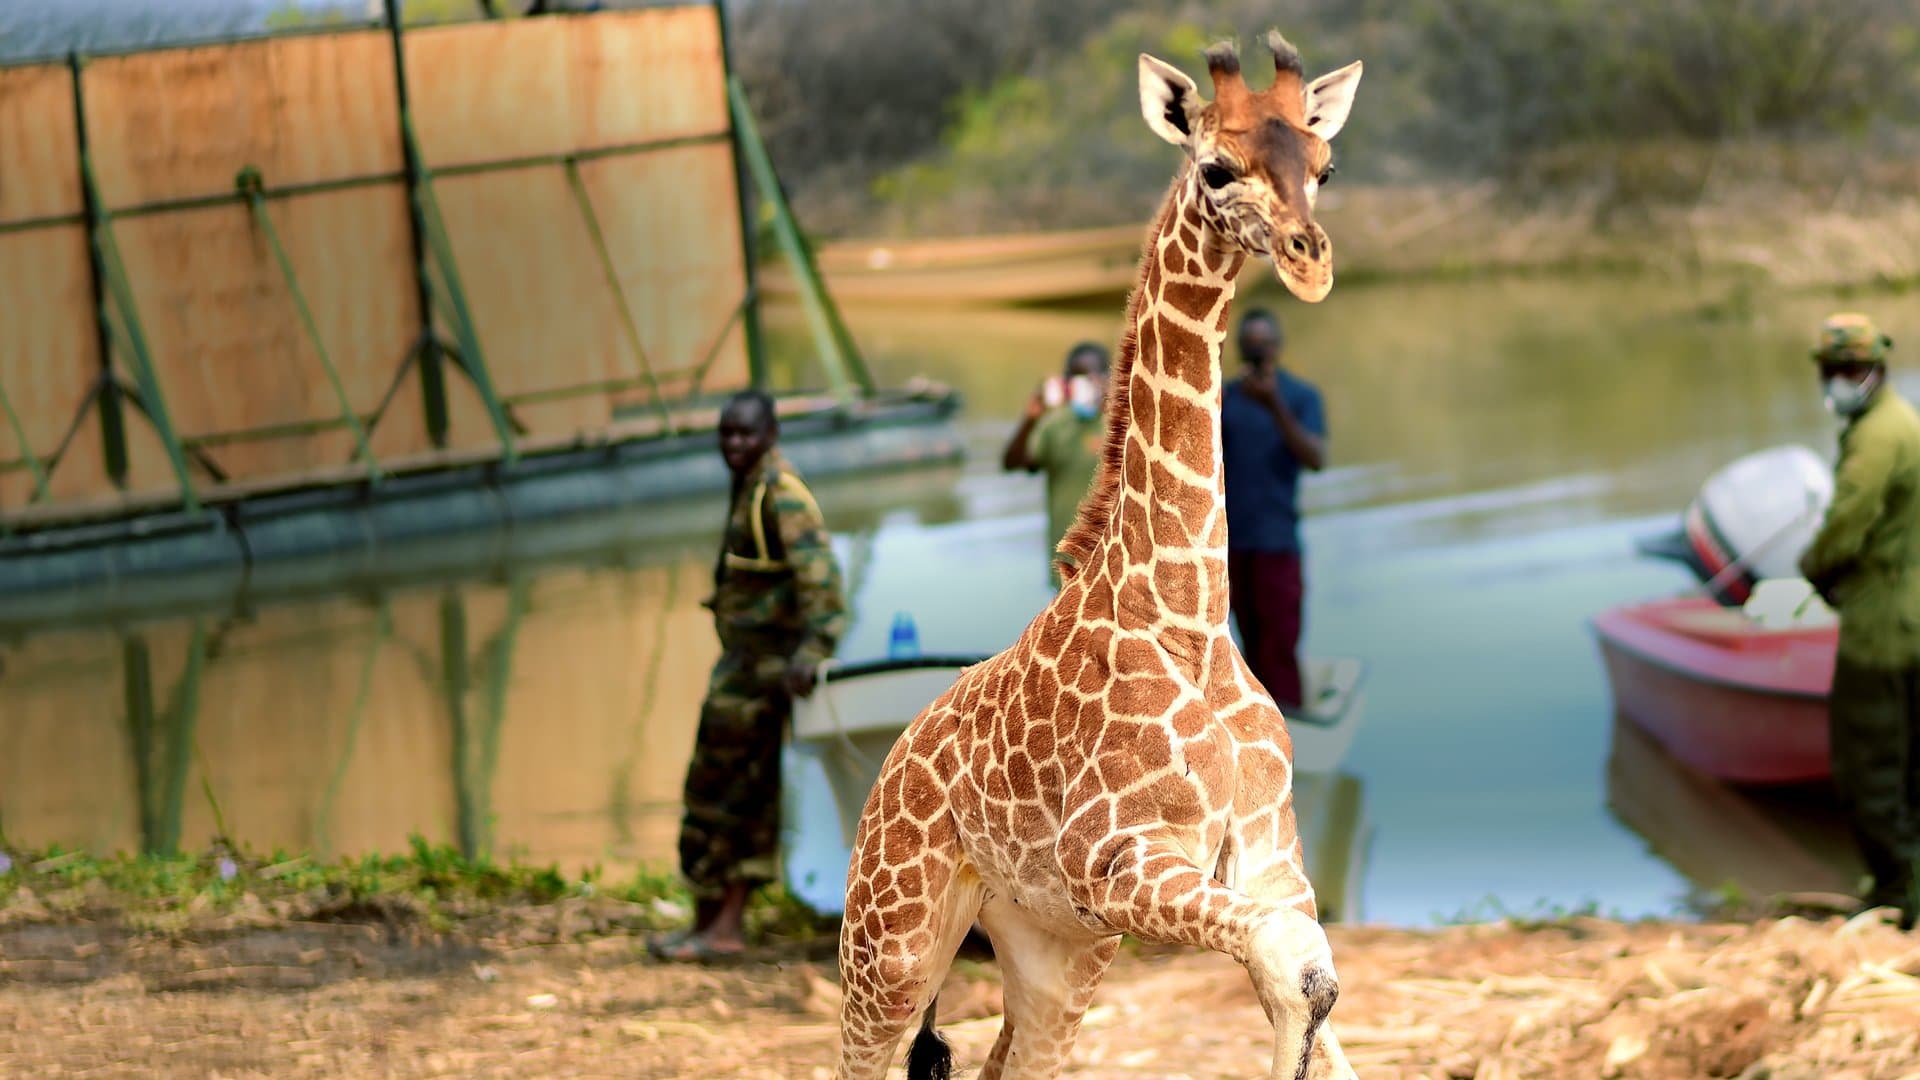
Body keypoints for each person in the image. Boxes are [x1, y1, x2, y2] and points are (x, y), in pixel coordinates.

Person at [650, 389, 849, 960]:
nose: (734, 445)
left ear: (770, 435)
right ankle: (706, 919)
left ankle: (726, 928)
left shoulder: (781, 497)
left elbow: (824, 586)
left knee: (743, 797)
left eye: (746, 434)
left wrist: (810, 653)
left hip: (762, 676)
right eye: (727, 434)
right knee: (711, 792)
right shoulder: (751, 489)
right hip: (739, 669)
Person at [1797, 312, 1920, 930]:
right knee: (1910, 762)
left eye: (1853, 369)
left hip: (1882, 630)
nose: (1843, 380)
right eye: (1835, 369)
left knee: (1869, 763)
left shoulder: (1875, 436)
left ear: (1876, 370)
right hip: (1911, 617)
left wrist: (1811, 569)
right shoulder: (1901, 421)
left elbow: (1845, 524)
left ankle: (1898, 896)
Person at [1221, 308, 1326, 712]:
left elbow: (1315, 457)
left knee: (1279, 642)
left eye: (1264, 341)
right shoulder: (1225, 398)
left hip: (1277, 540)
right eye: (1250, 341)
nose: (1257, 349)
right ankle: (1254, 723)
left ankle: (1291, 729)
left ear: (1278, 348)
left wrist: (1274, 405)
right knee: (1244, 642)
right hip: (1231, 545)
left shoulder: (1300, 397)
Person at [1002, 341, 1111, 589]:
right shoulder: (1054, 425)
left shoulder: (1124, 424)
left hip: (1115, 565)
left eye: (1089, 377)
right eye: (1075, 378)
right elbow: (1012, 464)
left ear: (1106, 377)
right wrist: (1029, 420)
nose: (1082, 385)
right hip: (1068, 565)